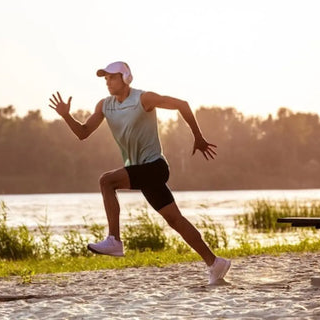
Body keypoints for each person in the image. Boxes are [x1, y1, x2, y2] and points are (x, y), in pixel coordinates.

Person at [48, 61, 230, 284]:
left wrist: (198, 137)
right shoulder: (105, 105)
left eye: (112, 77)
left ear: (125, 78)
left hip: (155, 167)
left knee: (106, 182)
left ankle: (114, 239)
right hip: (141, 171)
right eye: (105, 78)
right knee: (175, 220)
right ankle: (214, 263)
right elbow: (83, 133)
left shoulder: (144, 99)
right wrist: (66, 116)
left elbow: (182, 104)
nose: (107, 82)